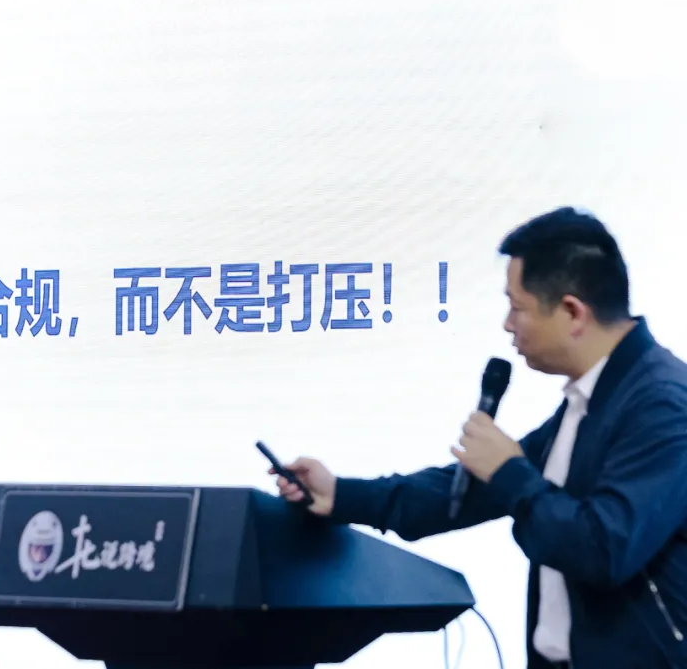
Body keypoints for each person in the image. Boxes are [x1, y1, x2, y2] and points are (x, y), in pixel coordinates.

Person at [272, 207, 687, 669]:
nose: (508, 324)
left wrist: (510, 472)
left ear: (572, 312)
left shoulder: (663, 404)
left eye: (517, 307)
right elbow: (462, 494)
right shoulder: (592, 400)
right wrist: (341, 494)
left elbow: (603, 549)